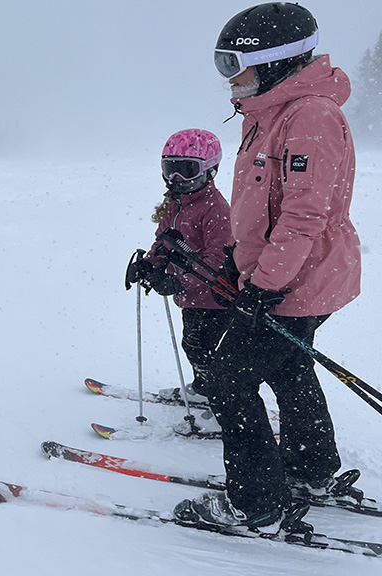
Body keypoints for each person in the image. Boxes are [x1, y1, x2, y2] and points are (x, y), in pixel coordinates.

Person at [173, 2, 363, 532]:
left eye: (235, 64)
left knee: (229, 380)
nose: (229, 78)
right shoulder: (269, 113)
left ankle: (256, 504)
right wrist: (240, 266)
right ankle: (311, 469)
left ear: (276, 62)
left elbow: (304, 215)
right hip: (283, 277)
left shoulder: (310, 116)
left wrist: (264, 285)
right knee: (287, 365)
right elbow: (262, 208)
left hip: (298, 280)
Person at [125, 129, 232, 436]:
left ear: (210, 170)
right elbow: (165, 241)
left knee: (204, 349)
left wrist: (178, 282)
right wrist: (150, 264)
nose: (176, 179)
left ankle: (221, 406)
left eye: (187, 170)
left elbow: (217, 260)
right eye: (170, 169)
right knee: (193, 344)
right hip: (193, 298)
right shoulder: (176, 203)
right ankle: (202, 388)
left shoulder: (216, 209)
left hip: (216, 299)